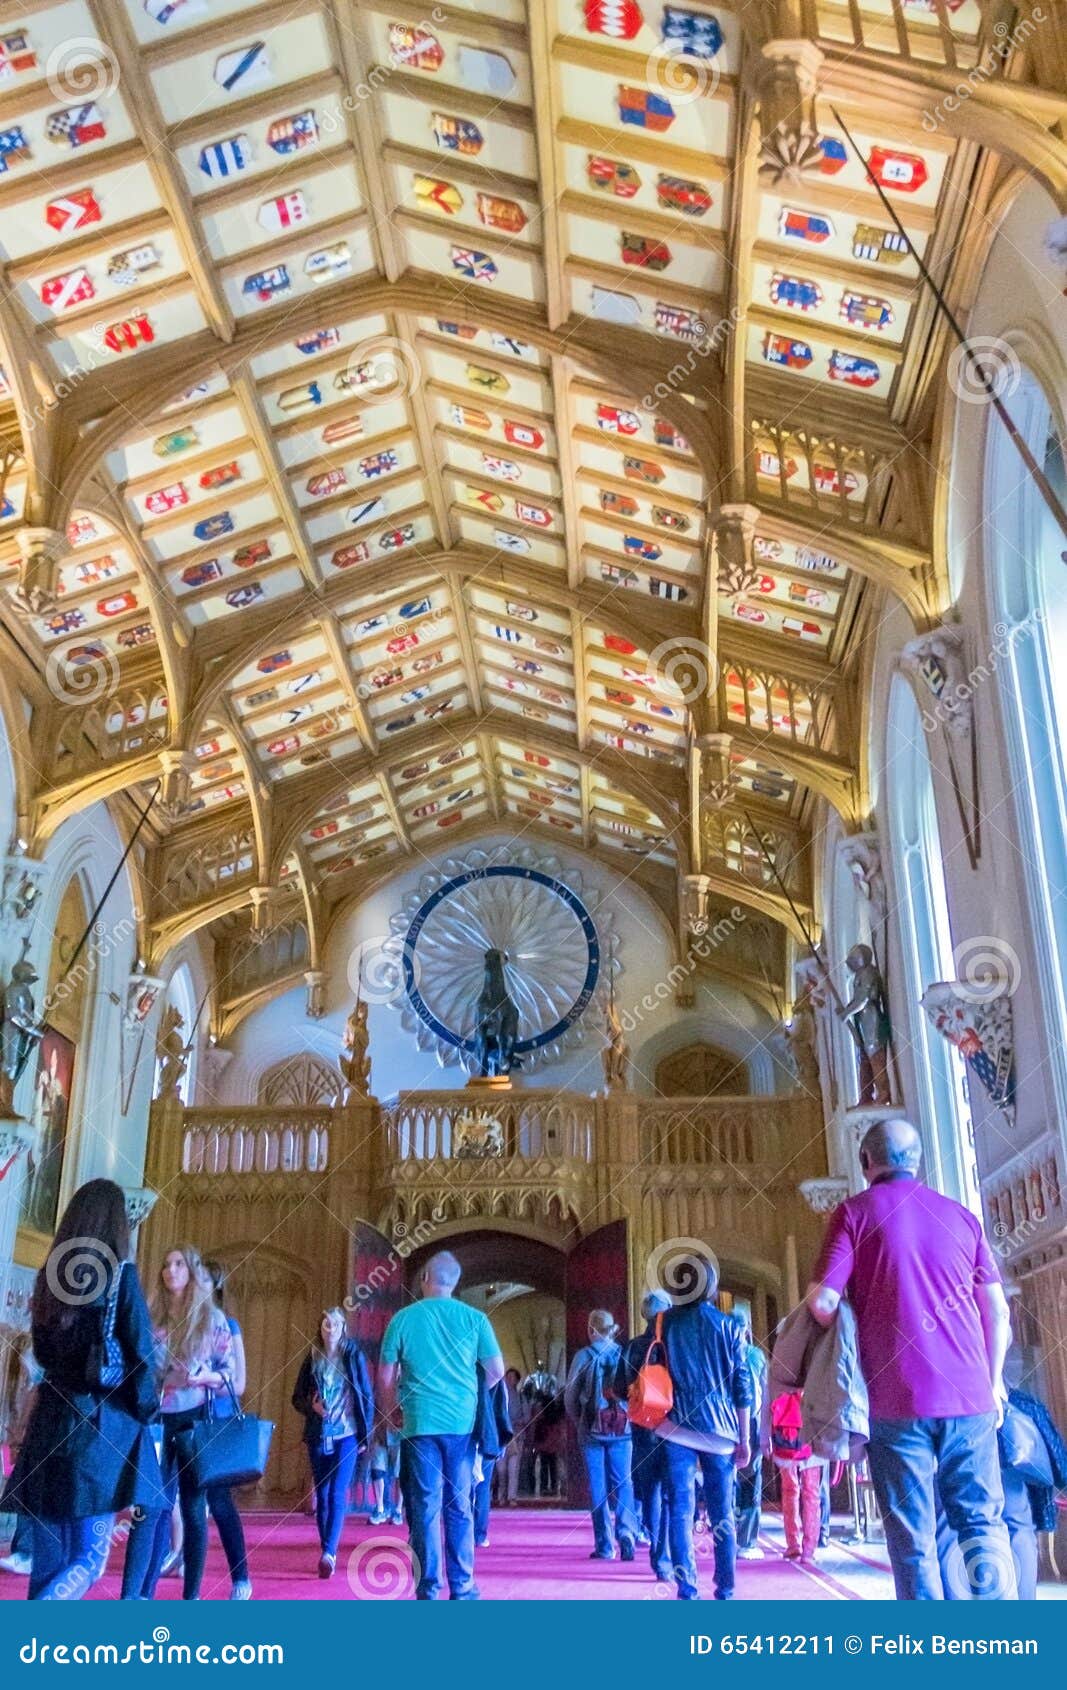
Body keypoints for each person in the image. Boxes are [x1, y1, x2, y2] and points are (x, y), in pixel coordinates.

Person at [807, 1117, 1015, 1600]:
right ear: (918, 1161)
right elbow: (998, 1309)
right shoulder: (960, 1215)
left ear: (865, 1164)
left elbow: (822, 1303)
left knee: (913, 1538)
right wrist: (995, 1380)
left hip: (896, 1400)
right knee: (982, 1523)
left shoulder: (854, 1214)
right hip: (971, 1397)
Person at [2, 1179, 163, 1600]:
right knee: (90, 1559)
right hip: (99, 1431)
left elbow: (40, 1349)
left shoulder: (49, 1274)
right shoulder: (120, 1275)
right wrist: (146, 1411)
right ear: (116, 1223)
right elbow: (142, 1357)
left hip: (50, 1421)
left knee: (50, 1559)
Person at [378, 1251, 503, 1600]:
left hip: (419, 1423)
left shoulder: (402, 1319)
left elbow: (385, 1377)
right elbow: (495, 1371)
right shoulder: (475, 1319)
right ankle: (463, 1586)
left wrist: (390, 1413)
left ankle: (428, 1588)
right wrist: (468, 1395)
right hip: (462, 1427)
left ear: (424, 1280)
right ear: (455, 1282)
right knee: (460, 1506)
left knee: (424, 1509)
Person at [121, 1244, 235, 1601]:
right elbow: (138, 1371)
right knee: (150, 1506)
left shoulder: (212, 1319)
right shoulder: (151, 1317)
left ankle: (191, 1597)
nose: (170, 1270)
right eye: (166, 1265)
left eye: (178, 1264)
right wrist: (165, 1379)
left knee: (191, 1506)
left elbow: (230, 1375)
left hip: (194, 1419)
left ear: (191, 1271)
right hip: (156, 1420)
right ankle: (135, 1596)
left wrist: (204, 1377)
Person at [653, 1262, 753, 1600]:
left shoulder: (664, 1324)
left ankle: (687, 1587)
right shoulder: (728, 1326)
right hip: (721, 1430)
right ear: (711, 1287)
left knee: (681, 1509)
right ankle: (725, 1589)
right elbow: (742, 1385)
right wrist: (745, 1436)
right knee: (722, 1511)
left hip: (676, 1425)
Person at [292, 1307, 373, 1577]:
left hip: (347, 1433)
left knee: (338, 1491)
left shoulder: (353, 1356)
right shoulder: (312, 1357)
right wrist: (311, 1407)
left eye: (336, 1324)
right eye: (326, 1324)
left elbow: (365, 1395)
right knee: (323, 1494)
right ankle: (325, 1548)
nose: (331, 1329)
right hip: (319, 1433)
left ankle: (330, 1552)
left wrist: (365, 1434)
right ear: (321, 1328)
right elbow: (297, 1398)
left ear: (343, 1329)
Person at [564, 1309, 639, 1562]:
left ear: (591, 1330)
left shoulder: (583, 1356)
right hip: (623, 1429)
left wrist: (580, 1422)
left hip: (592, 1429)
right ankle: (627, 1531)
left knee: (598, 1486)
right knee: (624, 1482)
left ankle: (605, 1545)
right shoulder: (624, 1354)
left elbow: (570, 1396)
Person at [202, 1260, 252, 1599]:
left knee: (219, 1501)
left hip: (215, 1421)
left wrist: (204, 1380)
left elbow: (240, 1383)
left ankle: (241, 1578)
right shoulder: (175, 1322)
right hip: (178, 1418)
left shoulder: (227, 1325)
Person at [616, 1289, 672, 1581]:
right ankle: (672, 1553)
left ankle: (658, 1557)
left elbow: (618, 1387)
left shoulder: (634, 1346)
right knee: (674, 1491)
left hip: (643, 1428)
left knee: (650, 1491)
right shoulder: (674, 1343)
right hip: (675, 1430)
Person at [763, 1388, 826, 1564]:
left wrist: (764, 1437)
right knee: (811, 1492)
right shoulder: (819, 1365)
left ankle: (793, 1545)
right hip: (814, 1436)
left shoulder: (777, 1367)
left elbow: (766, 1400)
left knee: (790, 1490)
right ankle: (809, 1550)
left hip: (785, 1438)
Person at [731, 1311, 767, 1561]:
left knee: (728, 1479)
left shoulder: (722, 1353)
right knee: (751, 1481)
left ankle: (728, 1537)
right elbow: (766, 1394)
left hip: (725, 1424)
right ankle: (747, 1541)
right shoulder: (756, 1355)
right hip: (751, 1423)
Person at [494, 1367, 526, 1505]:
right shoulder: (498, 1396)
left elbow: (527, 1417)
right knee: (501, 1469)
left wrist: (515, 1423)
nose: (510, 1380)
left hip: (516, 1436)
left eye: (513, 1377)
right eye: (508, 1377)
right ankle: (501, 1496)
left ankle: (511, 1496)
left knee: (514, 1468)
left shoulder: (521, 1397)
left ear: (517, 1381)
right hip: (501, 1437)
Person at [368, 1425, 403, 1526]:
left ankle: (398, 1510)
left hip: (401, 1432)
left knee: (400, 1473)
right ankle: (380, 1508)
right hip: (380, 1433)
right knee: (377, 1470)